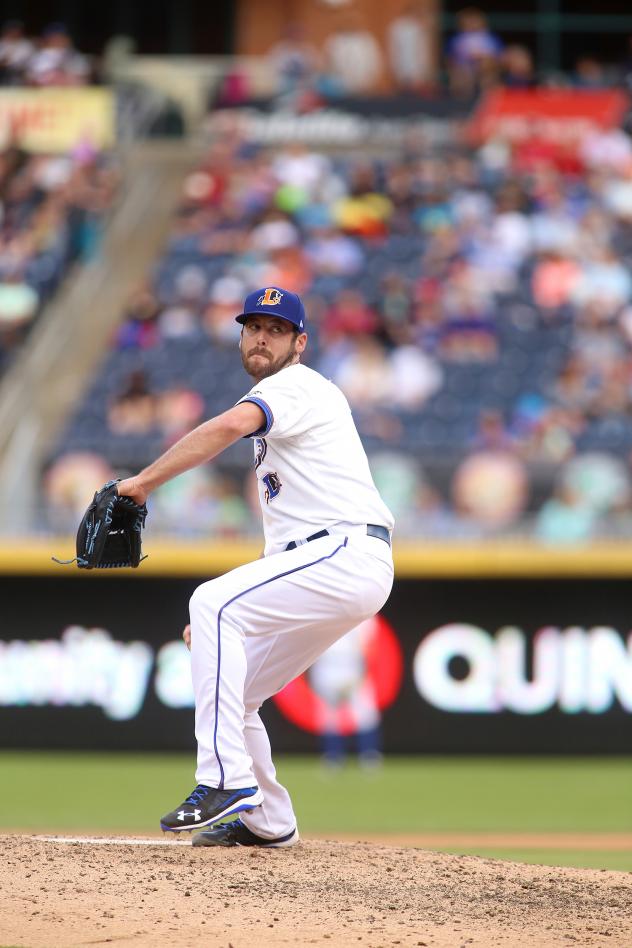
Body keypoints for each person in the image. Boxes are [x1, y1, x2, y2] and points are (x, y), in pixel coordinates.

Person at [116, 286, 394, 848]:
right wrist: (232, 622)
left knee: (209, 599)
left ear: (299, 343)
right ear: (241, 336)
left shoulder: (295, 386)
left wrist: (141, 483)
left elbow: (223, 427)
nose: (262, 337)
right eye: (253, 327)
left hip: (345, 550)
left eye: (276, 329)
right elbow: (287, 548)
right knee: (236, 689)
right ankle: (269, 823)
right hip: (328, 559)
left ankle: (222, 783)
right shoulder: (280, 401)